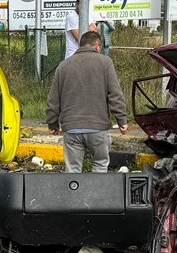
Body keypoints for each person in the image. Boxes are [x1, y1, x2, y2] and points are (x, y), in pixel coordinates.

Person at [46, 30, 128, 173]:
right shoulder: (105, 62)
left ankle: (73, 194)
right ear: (97, 45)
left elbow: (53, 99)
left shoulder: (63, 66)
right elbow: (115, 94)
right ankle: (96, 195)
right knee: (100, 164)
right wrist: (122, 120)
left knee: (72, 171)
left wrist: (52, 123)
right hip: (98, 128)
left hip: (71, 128)